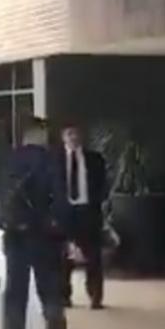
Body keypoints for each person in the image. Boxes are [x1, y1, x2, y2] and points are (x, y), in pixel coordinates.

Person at [0, 119, 74, 329]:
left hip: (15, 235)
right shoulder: (50, 161)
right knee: (50, 287)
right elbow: (60, 200)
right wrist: (62, 230)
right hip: (43, 235)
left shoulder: (9, 161)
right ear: (39, 135)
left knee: (14, 292)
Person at [56, 124, 108, 309]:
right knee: (63, 258)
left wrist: (98, 201)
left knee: (93, 257)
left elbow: (103, 184)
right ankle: (63, 296)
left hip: (89, 212)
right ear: (63, 137)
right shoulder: (55, 160)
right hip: (65, 213)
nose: (73, 137)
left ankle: (95, 296)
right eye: (69, 133)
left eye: (76, 133)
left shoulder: (95, 159)